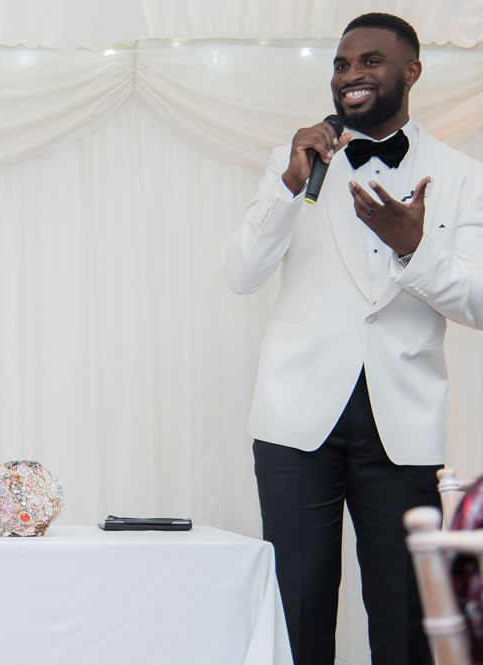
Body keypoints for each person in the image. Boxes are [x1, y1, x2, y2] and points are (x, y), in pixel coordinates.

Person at [223, 12, 483, 665]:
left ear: (411, 72)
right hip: (295, 421)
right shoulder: (297, 164)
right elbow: (241, 273)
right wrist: (288, 185)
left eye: (370, 61)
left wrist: (415, 252)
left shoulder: (461, 175)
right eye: (341, 64)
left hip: (403, 425)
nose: (351, 76)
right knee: (298, 607)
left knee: (405, 621)